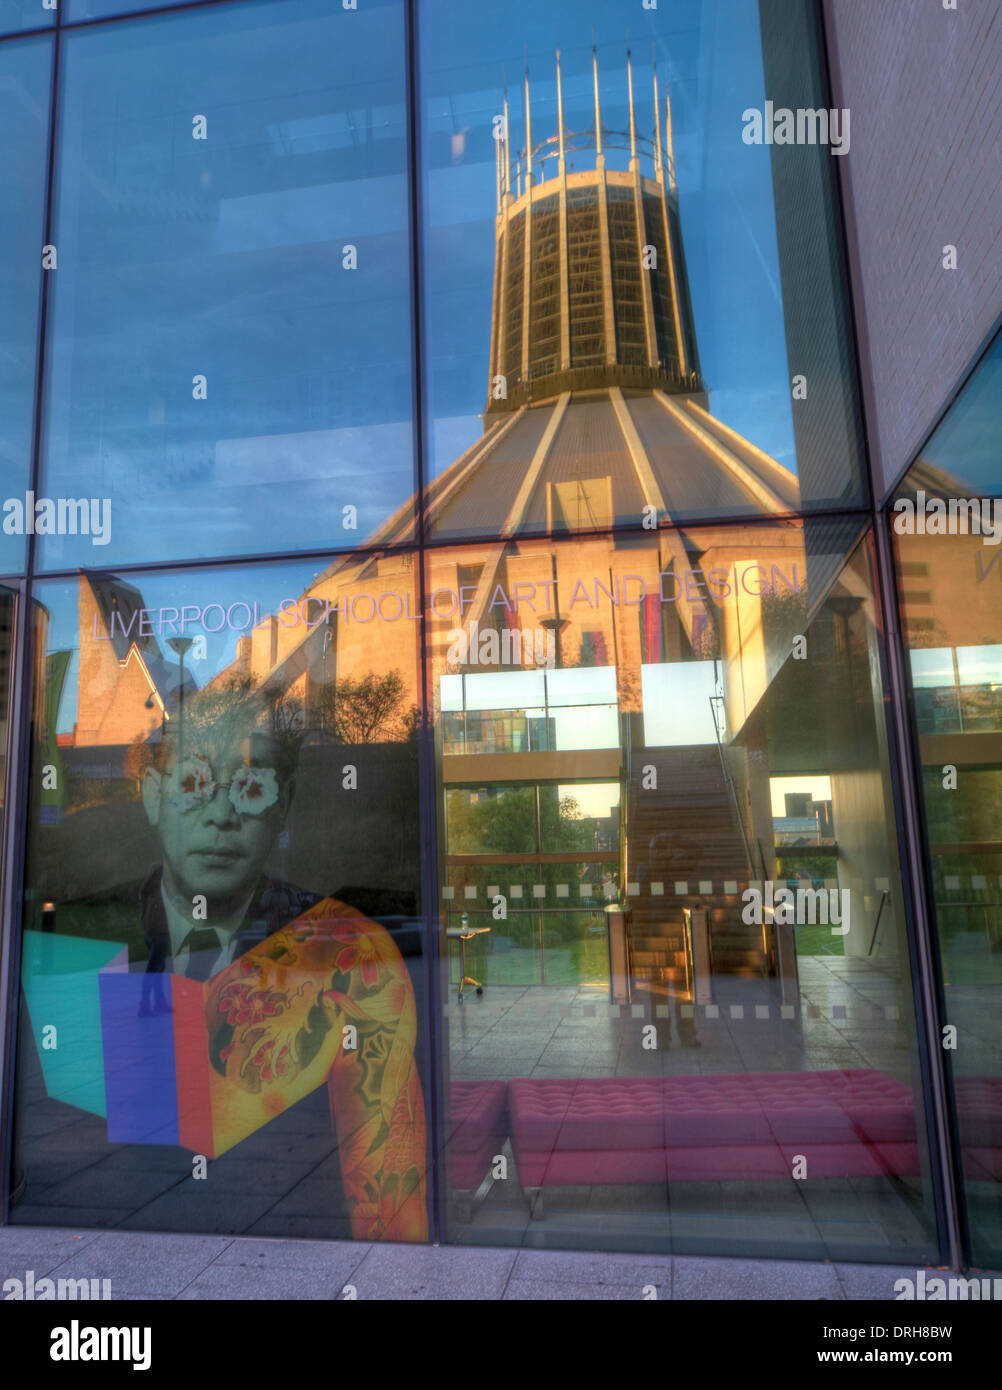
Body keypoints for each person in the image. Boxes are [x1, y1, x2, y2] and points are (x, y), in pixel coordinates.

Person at [123, 679, 427, 1242]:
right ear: (151, 796)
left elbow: (389, 1208)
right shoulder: (86, 943)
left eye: (249, 786)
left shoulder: (341, 952)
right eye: (194, 783)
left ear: (283, 804)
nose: (221, 816)